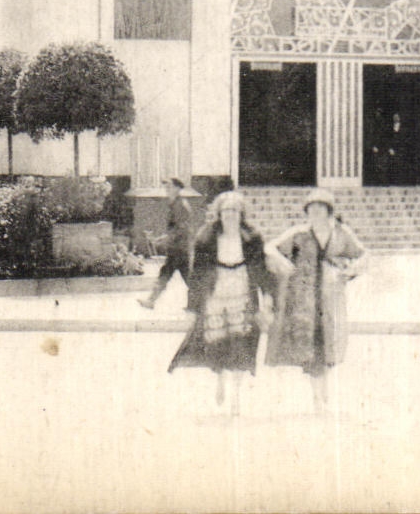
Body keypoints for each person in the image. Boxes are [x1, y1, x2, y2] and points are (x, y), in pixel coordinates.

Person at [168, 190, 273, 415]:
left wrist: (267, 298)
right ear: (219, 213)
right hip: (216, 293)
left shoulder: (252, 237)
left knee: (241, 343)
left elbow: (261, 270)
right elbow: (197, 274)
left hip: (242, 293)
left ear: (241, 213)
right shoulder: (207, 237)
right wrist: (192, 307)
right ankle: (220, 381)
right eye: (226, 211)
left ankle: (236, 395)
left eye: (235, 211)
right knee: (217, 341)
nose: (230, 215)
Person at [264, 188, 366, 415]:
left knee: (329, 343)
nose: (316, 212)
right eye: (312, 208)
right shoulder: (299, 234)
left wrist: (350, 271)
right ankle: (317, 398)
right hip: (305, 298)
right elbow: (270, 247)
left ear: (329, 211)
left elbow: (362, 255)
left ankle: (324, 389)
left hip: (331, 297)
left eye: (321, 208)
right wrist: (282, 261)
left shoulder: (341, 233)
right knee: (311, 347)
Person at [139, 178, 196, 310]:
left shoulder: (180, 205)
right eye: (166, 187)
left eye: (170, 187)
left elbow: (182, 229)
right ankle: (197, 304)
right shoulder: (176, 204)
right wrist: (163, 238)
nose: (167, 190)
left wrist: (164, 239)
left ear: (177, 188)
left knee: (168, 274)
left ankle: (151, 301)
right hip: (178, 248)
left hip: (179, 248)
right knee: (183, 277)